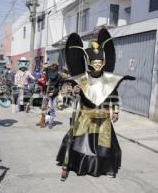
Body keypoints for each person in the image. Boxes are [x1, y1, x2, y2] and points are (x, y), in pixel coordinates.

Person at [56, 29, 135, 180]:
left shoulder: (108, 78)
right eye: (94, 62)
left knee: (104, 144)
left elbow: (113, 94)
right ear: (90, 63)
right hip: (85, 114)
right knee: (79, 141)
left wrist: (115, 110)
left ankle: (101, 166)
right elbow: (70, 91)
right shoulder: (82, 77)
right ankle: (75, 164)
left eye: (100, 62)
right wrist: (75, 90)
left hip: (103, 114)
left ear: (103, 62)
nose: (97, 65)